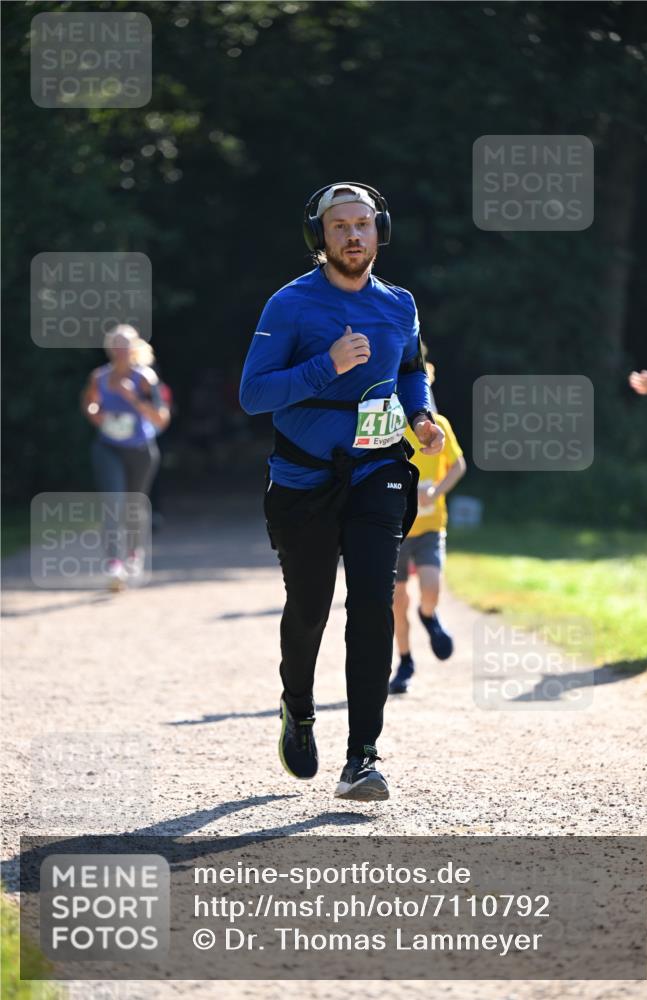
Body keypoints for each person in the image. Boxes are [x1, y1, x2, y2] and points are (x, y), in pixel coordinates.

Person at [240, 182, 444, 801]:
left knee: (374, 606)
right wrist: (327, 365)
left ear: (380, 231)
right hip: (305, 480)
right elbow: (254, 395)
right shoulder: (290, 305)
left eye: (363, 224)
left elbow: (409, 373)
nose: (354, 236)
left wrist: (422, 416)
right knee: (310, 608)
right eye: (339, 227)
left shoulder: (399, 304)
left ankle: (363, 756)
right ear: (319, 238)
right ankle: (297, 707)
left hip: (376, 472)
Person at [389, 359, 466, 694]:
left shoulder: (442, 427)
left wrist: (437, 490)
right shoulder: (391, 428)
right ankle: (404, 662)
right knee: (397, 601)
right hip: (395, 528)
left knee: (431, 587)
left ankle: (429, 614)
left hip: (432, 526)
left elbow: (458, 465)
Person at [81, 325, 170, 590]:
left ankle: (134, 553)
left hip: (141, 450)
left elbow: (161, 419)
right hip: (108, 447)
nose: (120, 350)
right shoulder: (99, 376)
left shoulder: (145, 378)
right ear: (109, 349)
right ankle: (114, 564)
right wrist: (95, 413)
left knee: (134, 505)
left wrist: (132, 398)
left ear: (134, 349)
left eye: (125, 345)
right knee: (113, 502)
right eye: (116, 345)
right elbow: (89, 402)